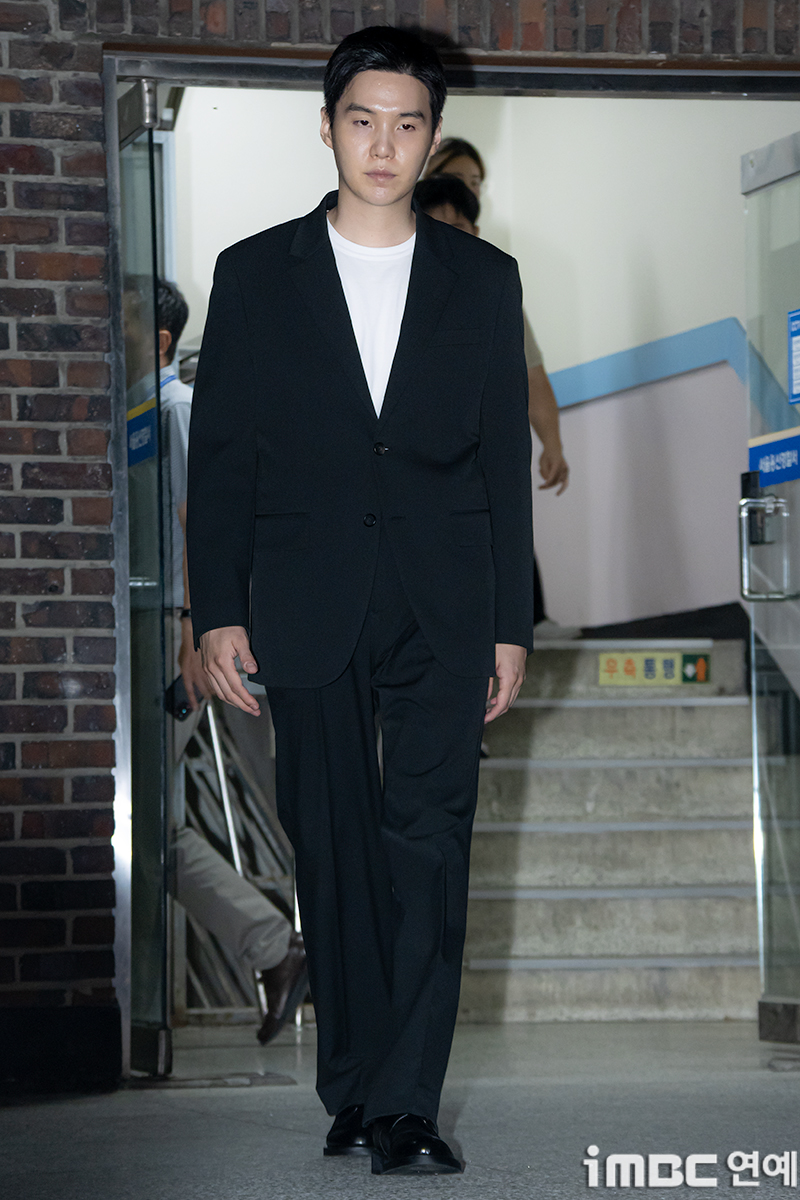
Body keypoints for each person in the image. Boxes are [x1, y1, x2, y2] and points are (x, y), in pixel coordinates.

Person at [187, 27, 533, 1175]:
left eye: (406, 124)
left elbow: (499, 462)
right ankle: (353, 1077)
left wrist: (509, 624)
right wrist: (214, 609)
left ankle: (406, 1103)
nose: (383, 146)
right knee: (331, 844)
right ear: (329, 128)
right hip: (305, 595)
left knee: (430, 845)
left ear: (431, 140)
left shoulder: (483, 280)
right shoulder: (254, 274)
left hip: (444, 601)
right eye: (361, 121)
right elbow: (222, 459)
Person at [156, 279, 307, 1046]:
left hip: (194, 638)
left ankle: (287, 947)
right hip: (182, 632)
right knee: (148, 825)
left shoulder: (178, 411)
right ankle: (277, 948)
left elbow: (199, 520)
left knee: (147, 825)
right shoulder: (152, 413)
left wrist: (194, 627)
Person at [423, 139, 577, 638]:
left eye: (475, 185)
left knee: (500, 520)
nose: (468, 191)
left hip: (474, 458)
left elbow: (530, 373)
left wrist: (552, 443)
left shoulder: (494, 289)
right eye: (457, 179)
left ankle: (526, 621)